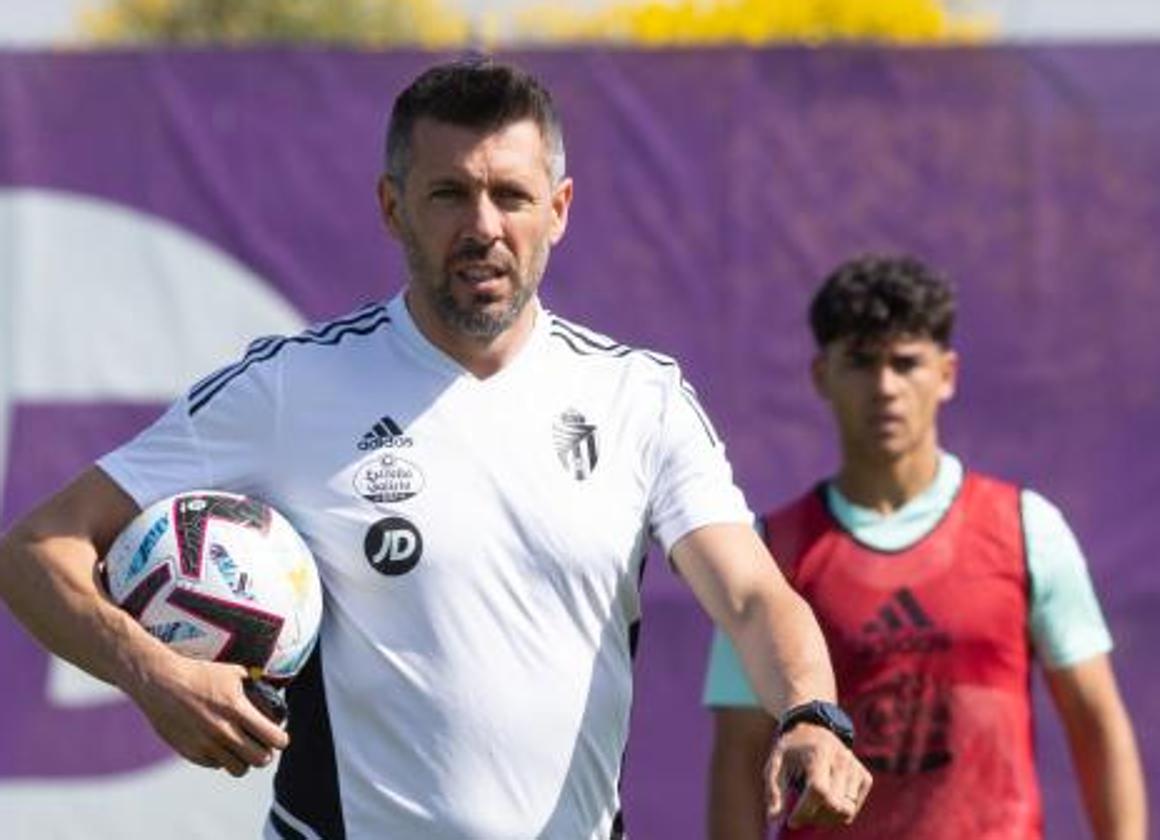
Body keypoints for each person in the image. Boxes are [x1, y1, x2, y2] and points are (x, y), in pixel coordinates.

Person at [0, 58, 871, 839]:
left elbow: (753, 594)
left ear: (559, 211)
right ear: (392, 208)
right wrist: (154, 673)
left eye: (512, 196)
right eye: (449, 193)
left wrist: (812, 713)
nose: (484, 225)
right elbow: (37, 550)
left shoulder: (639, 397)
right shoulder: (290, 389)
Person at [703, 254, 1147, 840]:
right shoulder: (770, 553)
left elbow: (1098, 726)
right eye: (861, 362)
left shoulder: (1027, 528)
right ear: (820, 375)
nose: (885, 386)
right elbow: (740, 754)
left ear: (947, 374)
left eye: (906, 362)